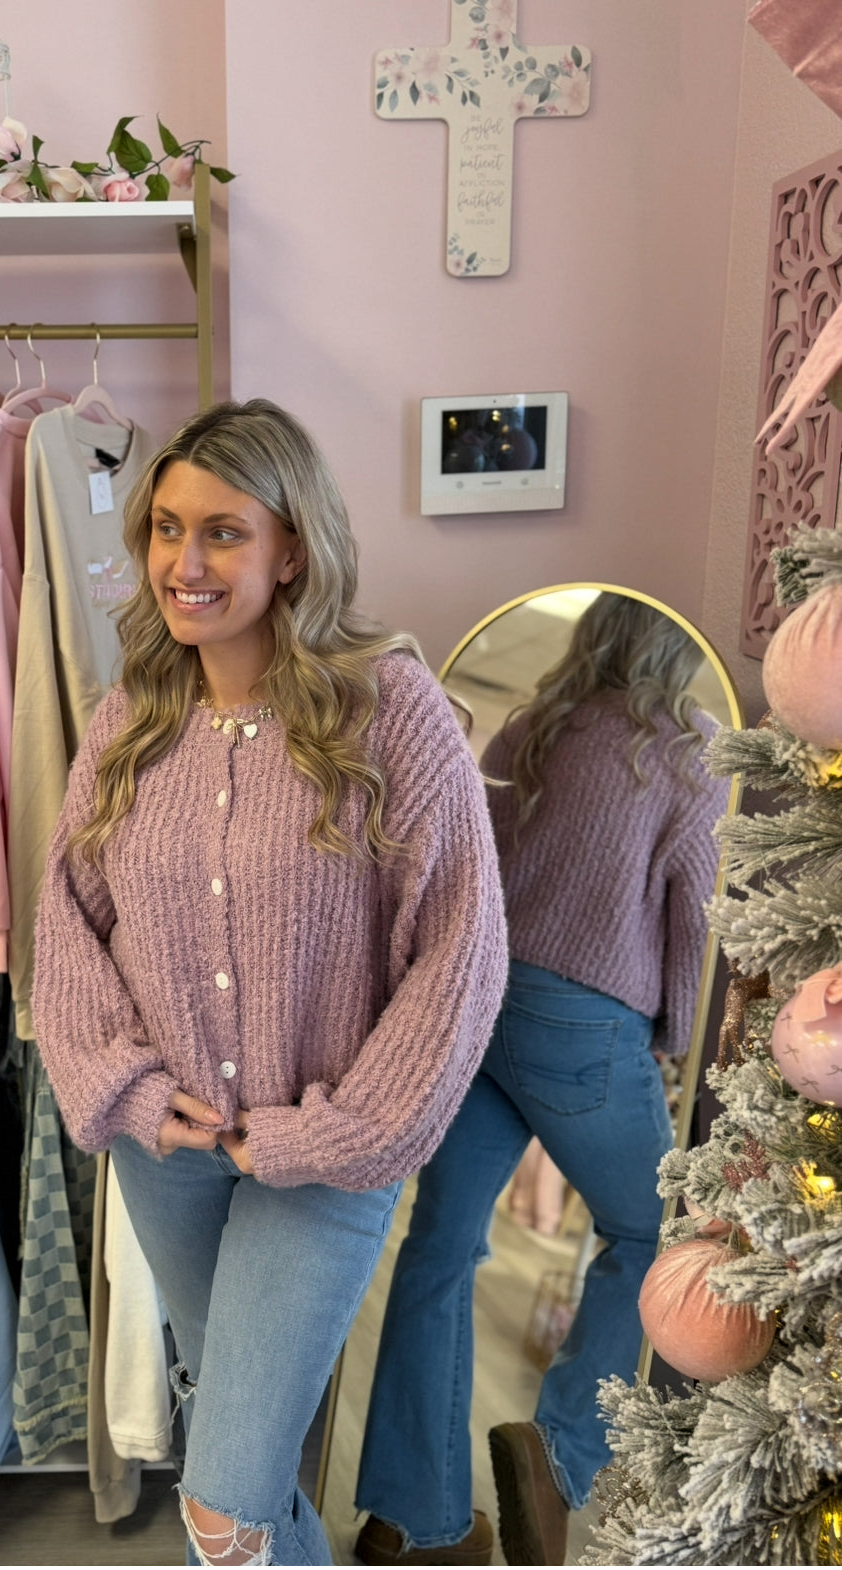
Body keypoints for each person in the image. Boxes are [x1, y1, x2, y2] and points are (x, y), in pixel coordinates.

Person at [30, 398, 508, 1566]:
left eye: (224, 532)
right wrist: (131, 1090)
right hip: (175, 1158)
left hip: (330, 1158)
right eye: (165, 529)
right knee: (240, 1461)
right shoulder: (130, 718)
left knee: (221, 1498)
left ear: (293, 545)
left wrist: (343, 1130)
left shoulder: (390, 709)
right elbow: (65, 930)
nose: (184, 564)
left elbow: (462, 950)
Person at [354, 593, 730, 1568]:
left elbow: (469, 865)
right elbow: (693, 918)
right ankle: (558, 1459)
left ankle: (411, 1515)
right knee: (655, 1233)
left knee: (438, 1242)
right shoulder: (684, 749)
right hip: (584, 1020)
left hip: (486, 1000)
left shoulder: (537, 722)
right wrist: (679, 1039)